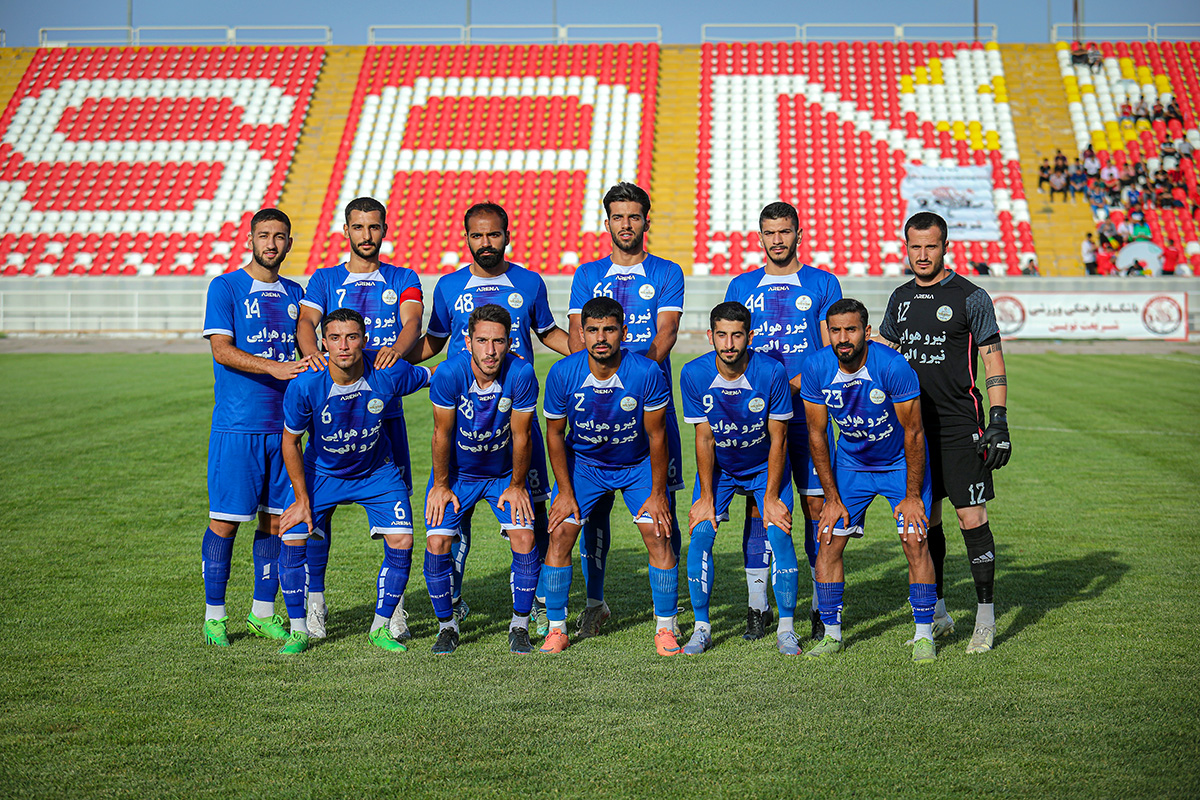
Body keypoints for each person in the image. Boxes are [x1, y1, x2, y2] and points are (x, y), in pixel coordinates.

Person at [409, 202, 570, 631]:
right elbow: (434, 341)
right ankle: (453, 601)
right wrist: (390, 360)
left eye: (493, 234)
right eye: (477, 235)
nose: (486, 242)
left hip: (515, 416)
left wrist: (590, 356)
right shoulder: (449, 286)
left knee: (532, 511)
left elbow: (548, 332)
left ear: (506, 236)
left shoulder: (529, 282)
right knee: (453, 518)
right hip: (464, 420)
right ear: (466, 238)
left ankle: (538, 602)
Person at [879, 212, 1010, 654]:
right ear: (906, 247)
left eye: (930, 246)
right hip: (912, 429)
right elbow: (886, 355)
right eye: (915, 246)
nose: (922, 255)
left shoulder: (971, 297)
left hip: (959, 427)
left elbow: (992, 358)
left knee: (971, 518)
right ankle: (937, 613)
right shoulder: (899, 298)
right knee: (926, 521)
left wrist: (998, 419)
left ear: (945, 247)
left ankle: (985, 619)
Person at [295, 196, 424, 641]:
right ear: (346, 230)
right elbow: (307, 322)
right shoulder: (325, 278)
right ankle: (315, 603)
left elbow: (412, 322)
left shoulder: (403, 277)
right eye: (358, 227)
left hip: (385, 415)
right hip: (333, 410)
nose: (366, 235)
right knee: (317, 517)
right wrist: (312, 356)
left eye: (373, 227)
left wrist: (396, 352)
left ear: (384, 229)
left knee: (397, 512)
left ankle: (395, 609)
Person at [566, 182, 685, 640]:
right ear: (607, 222)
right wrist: (601, 383)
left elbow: (665, 334)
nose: (626, 224)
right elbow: (576, 338)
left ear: (645, 221)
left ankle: (667, 613)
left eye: (634, 216)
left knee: (660, 509)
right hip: (595, 410)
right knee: (591, 512)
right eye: (618, 216)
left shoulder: (667, 271)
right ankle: (595, 605)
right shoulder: (587, 274)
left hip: (650, 405)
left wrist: (633, 382)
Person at [275, 308, 432, 654]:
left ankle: (381, 627)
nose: (343, 346)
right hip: (323, 472)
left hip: (376, 471)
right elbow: (290, 441)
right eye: (334, 338)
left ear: (364, 340)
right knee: (292, 535)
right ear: (323, 343)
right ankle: (300, 629)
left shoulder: (388, 371)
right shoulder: (305, 384)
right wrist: (301, 500)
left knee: (403, 539)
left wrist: (481, 363)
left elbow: (433, 376)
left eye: (351, 337)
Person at [724, 201, 842, 641]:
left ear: (798, 234)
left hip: (808, 414)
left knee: (816, 507)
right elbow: (732, 348)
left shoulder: (823, 283)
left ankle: (819, 606)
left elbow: (831, 351)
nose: (778, 240)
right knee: (760, 506)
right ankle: (758, 607)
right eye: (770, 233)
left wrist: (790, 385)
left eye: (785, 231)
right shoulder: (741, 285)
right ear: (760, 237)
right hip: (758, 418)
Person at [538, 297, 681, 656]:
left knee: (658, 532)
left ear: (623, 332)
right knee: (560, 532)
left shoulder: (646, 372)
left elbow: (658, 436)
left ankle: (665, 627)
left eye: (609, 330)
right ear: (581, 334)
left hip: (636, 465)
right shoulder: (562, 373)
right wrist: (565, 492)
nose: (601, 338)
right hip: (585, 466)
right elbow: (554, 434)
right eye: (593, 330)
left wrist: (658, 493)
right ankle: (556, 629)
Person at [801, 299, 938, 663]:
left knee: (914, 539)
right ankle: (831, 635)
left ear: (866, 331)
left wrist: (912, 495)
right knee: (828, 540)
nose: (843, 338)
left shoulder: (892, 366)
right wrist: (831, 498)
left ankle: (924, 634)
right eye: (835, 330)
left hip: (899, 464)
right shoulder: (816, 366)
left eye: (851, 329)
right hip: (852, 465)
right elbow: (817, 435)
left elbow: (914, 432)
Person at [199, 207, 312, 647]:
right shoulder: (225, 286)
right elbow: (221, 350)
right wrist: (274, 367)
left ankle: (262, 613)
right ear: (250, 239)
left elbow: (309, 353)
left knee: (276, 521)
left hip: (285, 430)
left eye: (279, 236)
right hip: (238, 425)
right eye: (263, 235)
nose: (271, 243)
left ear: (288, 243)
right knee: (225, 522)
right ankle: (214, 616)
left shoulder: (296, 293)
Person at [679, 301, 800, 655]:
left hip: (764, 467)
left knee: (779, 535)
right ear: (710, 336)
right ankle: (702, 628)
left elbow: (779, 439)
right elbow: (704, 438)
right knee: (701, 536)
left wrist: (771, 497)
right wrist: (706, 497)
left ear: (750, 336)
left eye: (736, 335)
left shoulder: (772, 372)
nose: (729, 344)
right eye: (722, 335)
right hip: (721, 469)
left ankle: (787, 629)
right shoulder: (693, 373)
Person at [423, 304, 542, 654]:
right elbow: (441, 434)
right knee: (437, 543)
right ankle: (447, 626)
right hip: (458, 475)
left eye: (498, 341)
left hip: (503, 474)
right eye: (482, 341)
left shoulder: (521, 373)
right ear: (468, 341)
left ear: (510, 342)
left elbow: (522, 435)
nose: (490, 350)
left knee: (525, 537)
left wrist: (517, 486)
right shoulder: (449, 373)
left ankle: (520, 625)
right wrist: (440, 486)